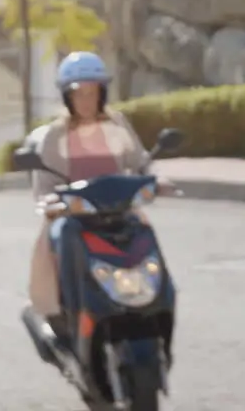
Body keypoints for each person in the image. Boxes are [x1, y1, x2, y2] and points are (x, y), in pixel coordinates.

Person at [25, 51, 154, 337]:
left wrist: (155, 179)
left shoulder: (116, 124)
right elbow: (44, 181)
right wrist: (49, 202)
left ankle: (157, 294)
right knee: (59, 238)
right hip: (75, 213)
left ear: (102, 93)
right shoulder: (56, 134)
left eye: (92, 92)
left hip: (117, 207)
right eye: (78, 94)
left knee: (144, 230)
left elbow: (138, 160)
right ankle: (59, 309)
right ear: (67, 98)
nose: (86, 100)